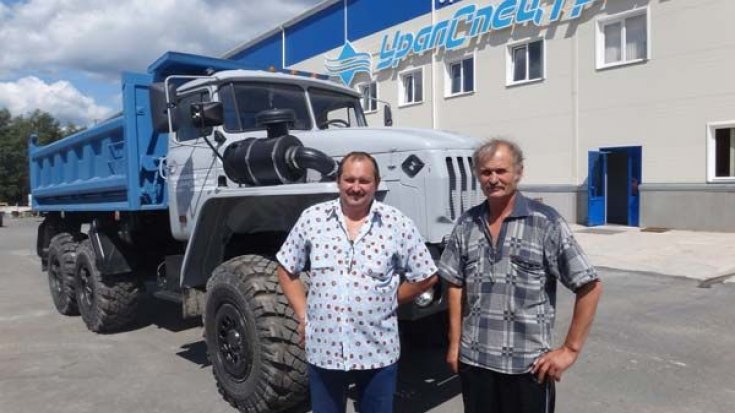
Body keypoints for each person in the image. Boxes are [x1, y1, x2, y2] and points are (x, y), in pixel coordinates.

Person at [438, 139, 602, 413]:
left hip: (527, 367)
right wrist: (455, 345)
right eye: (486, 172)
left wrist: (569, 350)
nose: (493, 179)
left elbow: (590, 286)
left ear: (518, 172)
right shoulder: (467, 223)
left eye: (501, 171)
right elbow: (455, 284)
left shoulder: (545, 223)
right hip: (475, 363)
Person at [276, 151, 438, 413]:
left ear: (376, 183)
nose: (356, 187)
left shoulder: (397, 224)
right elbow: (286, 267)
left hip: (377, 349)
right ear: (338, 181)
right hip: (324, 348)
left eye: (364, 181)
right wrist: (303, 315)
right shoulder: (312, 219)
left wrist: (391, 299)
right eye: (349, 179)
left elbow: (427, 275)